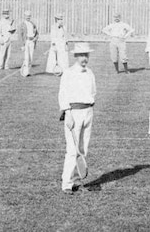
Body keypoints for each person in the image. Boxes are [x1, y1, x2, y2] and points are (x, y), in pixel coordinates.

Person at [57, 42, 97, 194]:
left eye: (86, 55)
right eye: (81, 55)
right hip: (74, 113)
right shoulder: (69, 72)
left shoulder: (90, 72)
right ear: (75, 56)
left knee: (82, 149)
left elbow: (93, 92)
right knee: (72, 150)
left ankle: (75, 181)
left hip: (88, 112)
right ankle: (66, 184)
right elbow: (63, 93)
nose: (84, 58)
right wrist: (68, 113)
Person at [19, 11, 39, 77]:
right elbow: (20, 35)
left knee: (31, 57)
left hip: (32, 41)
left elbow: (37, 34)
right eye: (26, 16)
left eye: (29, 16)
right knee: (26, 57)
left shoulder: (32, 24)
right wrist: (22, 45)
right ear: (24, 16)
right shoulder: (22, 24)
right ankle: (25, 72)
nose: (28, 17)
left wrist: (35, 38)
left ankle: (28, 71)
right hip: (26, 41)